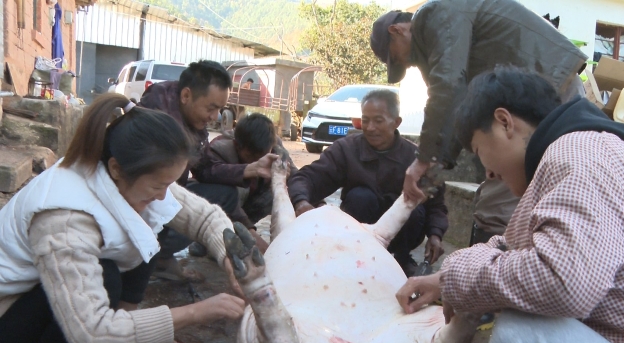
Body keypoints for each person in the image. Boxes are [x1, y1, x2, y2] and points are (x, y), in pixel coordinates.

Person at [396, 66, 624, 343]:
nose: (488, 171)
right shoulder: (597, 151)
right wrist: (444, 280)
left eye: (480, 149)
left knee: (524, 341)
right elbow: (520, 247)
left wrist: (458, 273)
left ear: (504, 122)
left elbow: (565, 281)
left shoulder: (576, 156)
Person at [0, 94, 246, 343]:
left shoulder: (123, 171)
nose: (163, 194)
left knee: (147, 228)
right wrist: (196, 312)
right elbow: (92, 332)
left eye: (169, 184)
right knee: (106, 278)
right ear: (116, 169)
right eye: (159, 185)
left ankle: (128, 339)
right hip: (9, 316)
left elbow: (204, 217)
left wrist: (230, 257)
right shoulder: (64, 218)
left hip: (42, 284)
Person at [370, 1, 588, 244]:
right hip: (544, 93)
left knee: (496, 209)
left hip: (547, 93)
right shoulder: (437, 36)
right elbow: (457, 108)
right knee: (523, 200)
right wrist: (436, 165)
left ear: (396, 30)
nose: (405, 65)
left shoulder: (437, 14)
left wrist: (424, 159)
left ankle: (486, 275)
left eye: (396, 58)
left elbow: (449, 88)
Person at [139, 60, 277, 278]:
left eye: (220, 109)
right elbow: (156, 188)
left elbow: (204, 169)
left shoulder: (192, 122)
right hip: (145, 204)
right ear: (186, 96)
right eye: (211, 108)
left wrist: (248, 169)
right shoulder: (157, 122)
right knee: (170, 200)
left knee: (224, 195)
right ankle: (152, 254)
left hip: (166, 198)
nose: (215, 117)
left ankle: (161, 258)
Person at [288, 89, 448, 276]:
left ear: (396, 122)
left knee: (415, 209)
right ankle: (351, 259)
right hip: (357, 236)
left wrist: (435, 235)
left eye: (378, 121)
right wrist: (301, 201)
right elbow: (308, 177)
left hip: (402, 238)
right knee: (360, 197)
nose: (370, 127)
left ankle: (401, 260)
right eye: (365, 120)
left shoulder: (415, 159)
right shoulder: (346, 149)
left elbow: (436, 204)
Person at [189, 112, 298, 254]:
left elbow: (297, 177)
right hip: (220, 207)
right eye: (250, 156)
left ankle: (237, 235)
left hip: (247, 208)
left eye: (263, 155)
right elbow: (224, 199)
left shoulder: (275, 148)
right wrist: (254, 237)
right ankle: (209, 237)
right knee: (229, 191)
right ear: (237, 145)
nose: (258, 160)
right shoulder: (219, 149)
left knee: (279, 190)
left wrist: (306, 202)